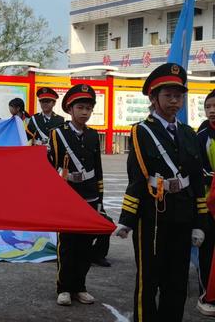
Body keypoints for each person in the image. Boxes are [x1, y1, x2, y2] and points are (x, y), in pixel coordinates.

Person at [115, 63, 207, 322]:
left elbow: (197, 182)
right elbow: (136, 178)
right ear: (153, 98)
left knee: (177, 282)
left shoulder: (189, 134)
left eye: (178, 96)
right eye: (168, 96)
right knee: (149, 281)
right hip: (153, 217)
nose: (174, 102)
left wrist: (200, 223)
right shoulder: (141, 132)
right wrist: (126, 219)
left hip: (183, 216)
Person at [48, 84, 103, 307]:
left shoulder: (92, 135)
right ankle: (63, 287)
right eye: (80, 107)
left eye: (88, 108)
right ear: (70, 109)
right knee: (67, 245)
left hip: (89, 196)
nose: (84, 112)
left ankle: (80, 286)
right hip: (68, 196)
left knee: (84, 246)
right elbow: (50, 167)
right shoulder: (57, 134)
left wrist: (99, 199)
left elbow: (98, 169)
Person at [195, 89, 215, 317]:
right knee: (207, 250)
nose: (211, 111)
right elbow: (196, 170)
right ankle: (205, 294)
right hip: (208, 205)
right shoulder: (200, 138)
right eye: (208, 107)